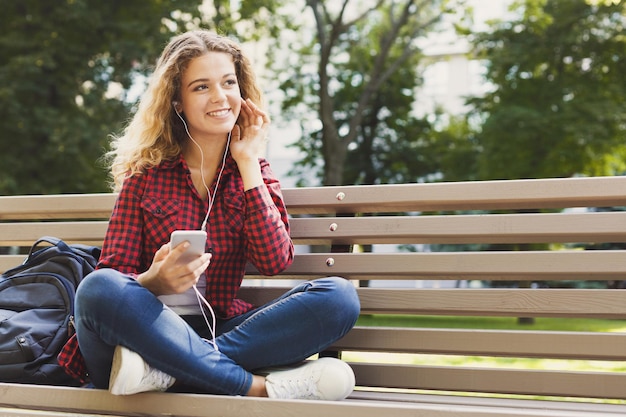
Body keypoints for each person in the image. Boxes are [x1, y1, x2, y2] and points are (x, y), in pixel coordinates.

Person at [60, 30, 360, 400]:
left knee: (339, 298)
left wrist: (247, 161)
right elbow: (113, 275)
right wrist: (154, 281)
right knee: (97, 288)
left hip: (219, 331)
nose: (220, 97)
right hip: (141, 336)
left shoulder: (255, 173)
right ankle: (252, 387)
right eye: (201, 87)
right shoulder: (145, 174)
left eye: (229, 82)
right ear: (177, 103)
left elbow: (274, 260)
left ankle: (168, 372)